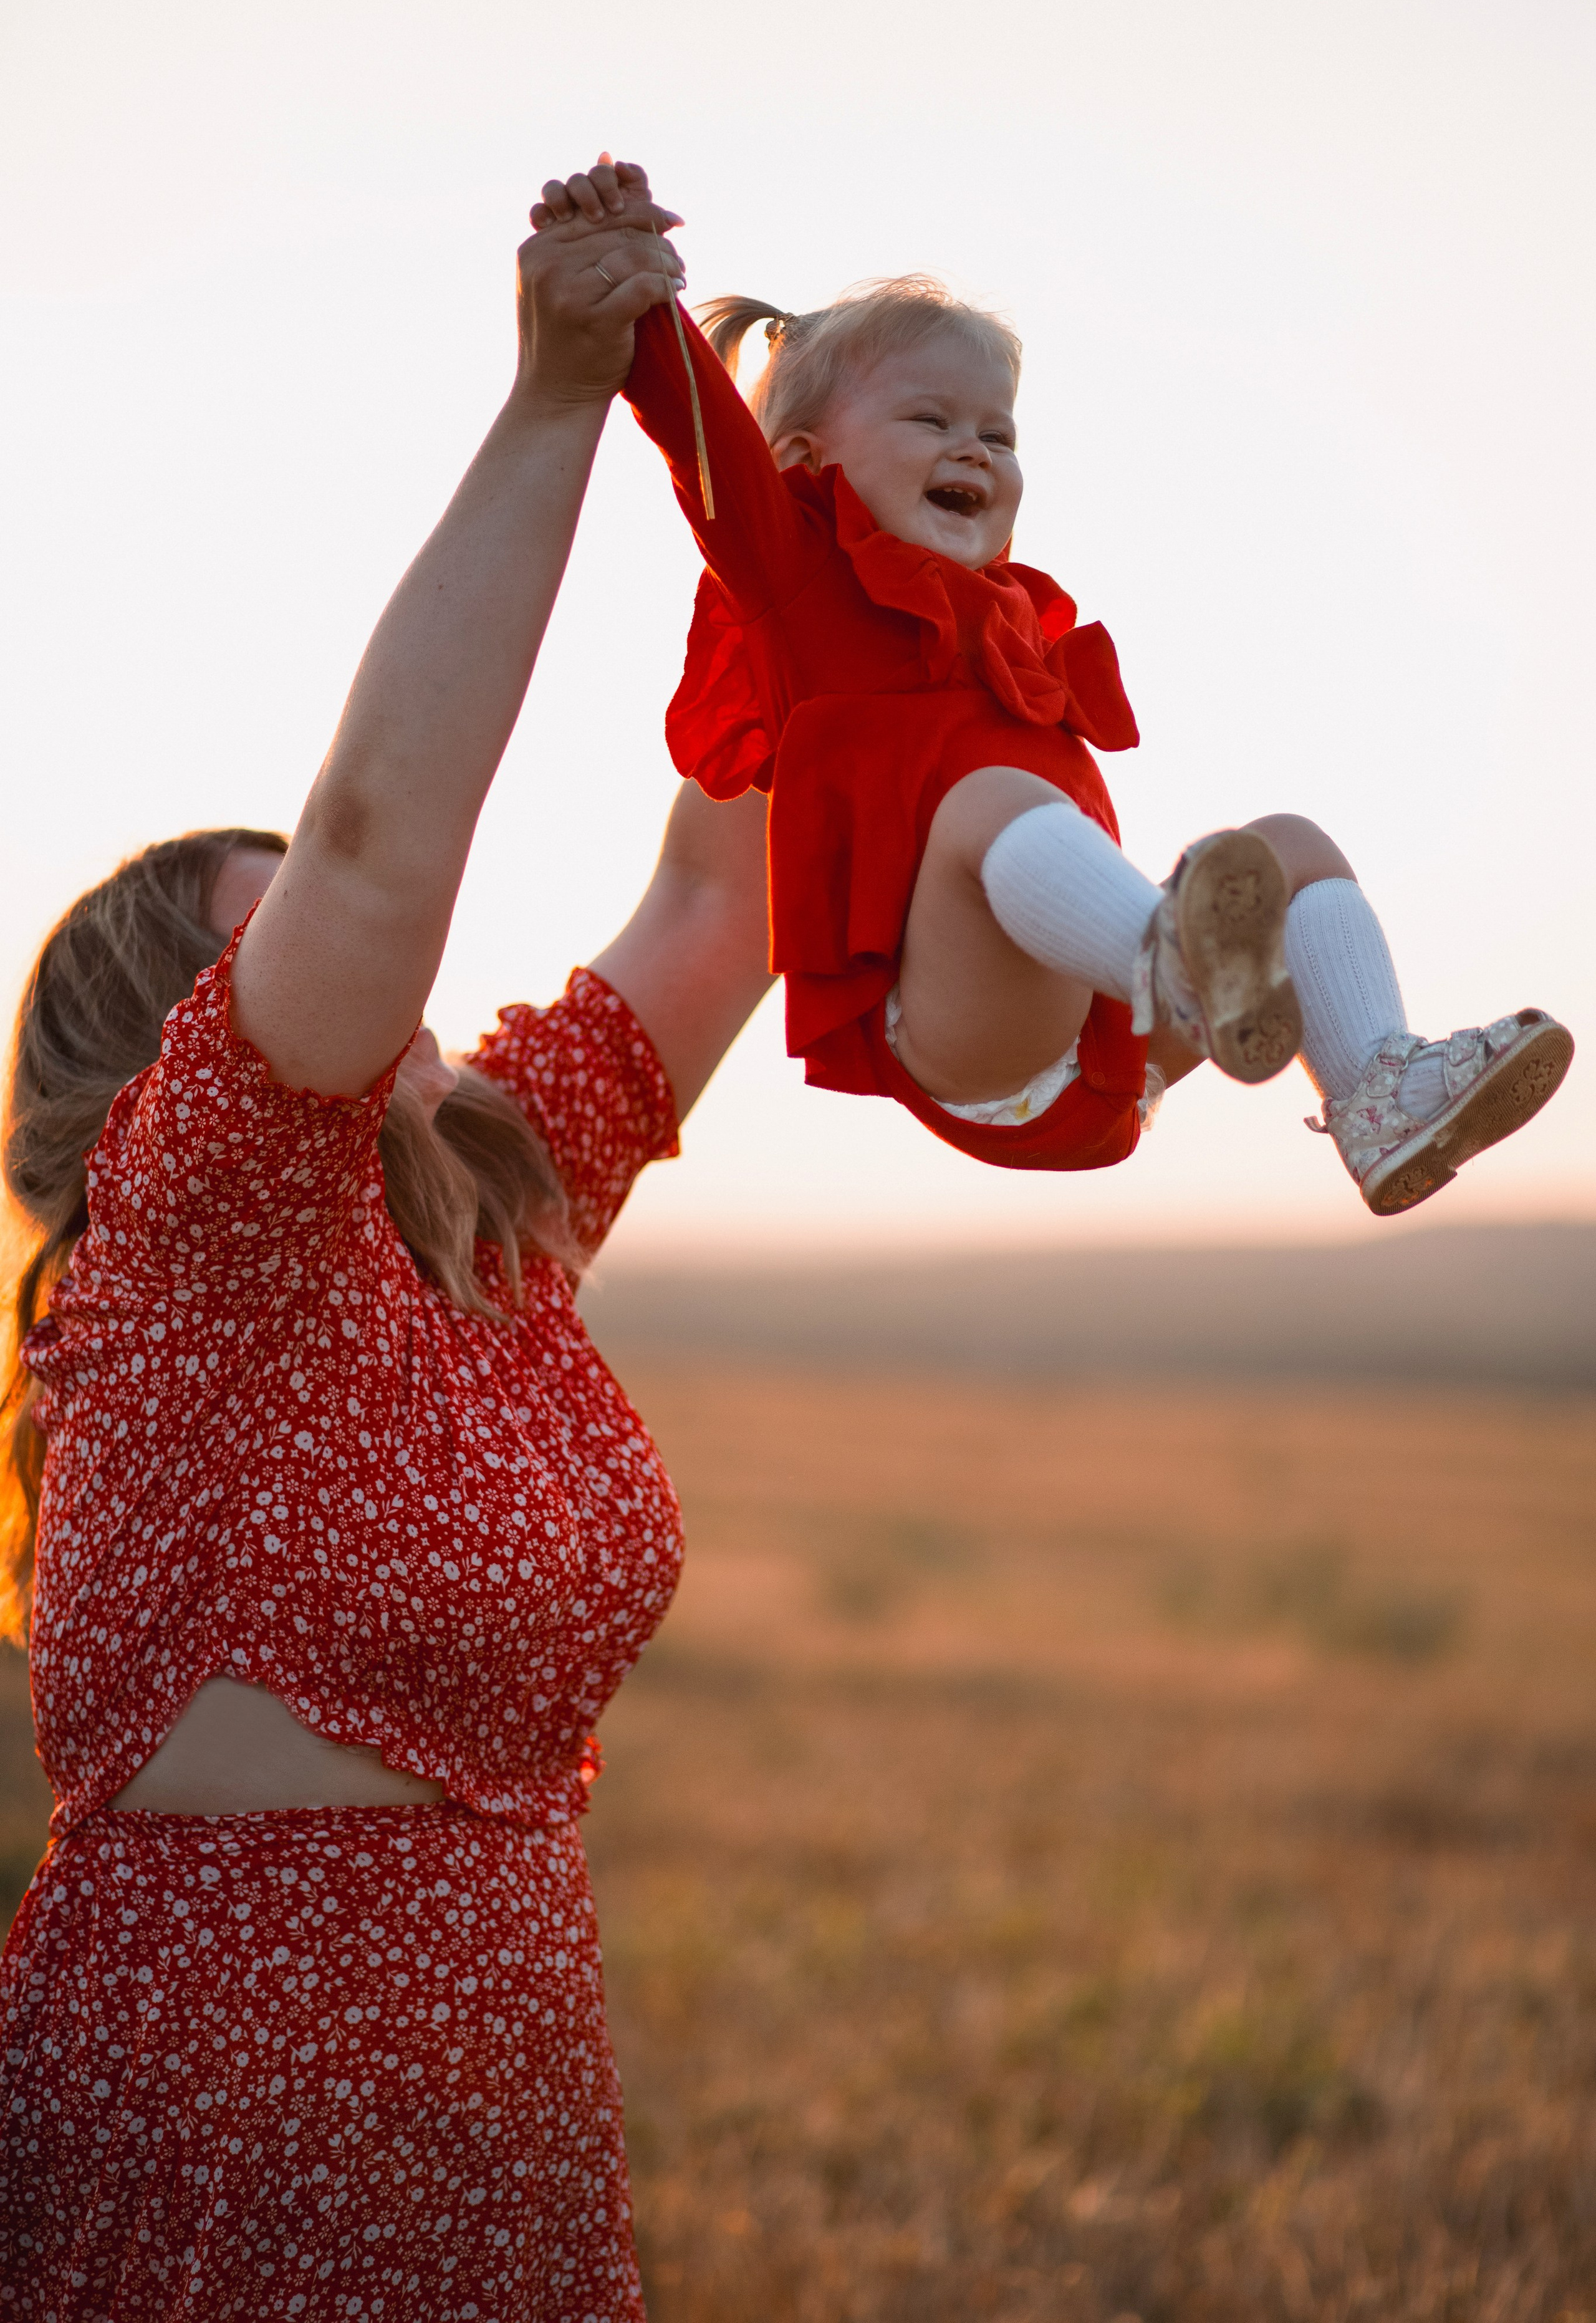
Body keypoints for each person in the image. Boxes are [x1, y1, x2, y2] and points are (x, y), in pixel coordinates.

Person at [0, 186, 771, 2320]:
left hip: (503, 2115)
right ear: (157, 1072)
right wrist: (555, 405)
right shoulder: (198, 1246)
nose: (393, 977)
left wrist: (803, 538)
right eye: (297, 970)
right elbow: (376, 844)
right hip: (231, 2128)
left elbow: (721, 898)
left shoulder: (494, 1208)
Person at [531, 159, 1572, 1217]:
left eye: (997, 432)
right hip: (971, 1051)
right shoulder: (799, 584)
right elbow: (702, 446)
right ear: (805, 460)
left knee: (1293, 847)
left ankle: (1376, 1094)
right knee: (989, 800)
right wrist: (635, 284)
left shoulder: (1010, 619)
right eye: (931, 421)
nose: (972, 449)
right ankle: (1172, 958)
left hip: (1108, 1061)